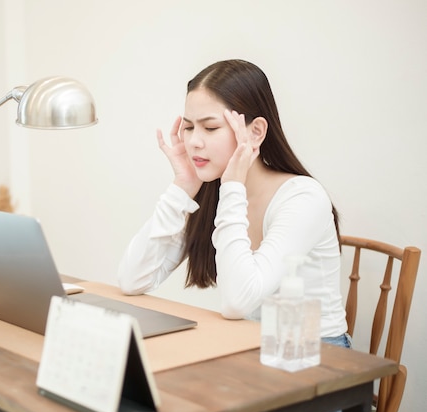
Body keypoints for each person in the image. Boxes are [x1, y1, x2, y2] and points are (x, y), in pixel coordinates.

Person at [117, 59, 350, 349]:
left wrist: (232, 188)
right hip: (250, 347)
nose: (194, 142)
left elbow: (236, 303)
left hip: (316, 353)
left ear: (256, 132)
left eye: (211, 128)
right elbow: (132, 280)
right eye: (189, 127)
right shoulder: (214, 192)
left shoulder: (303, 197)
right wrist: (183, 187)